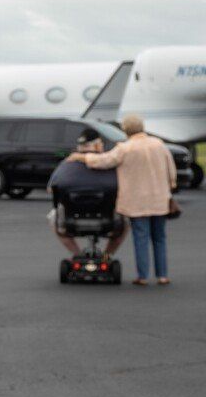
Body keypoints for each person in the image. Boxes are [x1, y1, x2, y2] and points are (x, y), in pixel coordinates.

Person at [77, 113, 179, 285]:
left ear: (125, 130)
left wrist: (83, 157)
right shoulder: (158, 144)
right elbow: (171, 170)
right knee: (159, 237)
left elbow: (104, 161)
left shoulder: (125, 148)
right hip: (160, 199)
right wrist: (170, 186)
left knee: (141, 237)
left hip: (137, 200)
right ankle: (162, 275)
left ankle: (143, 276)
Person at [48, 134, 125, 259]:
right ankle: (107, 256)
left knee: (53, 218)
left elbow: (52, 188)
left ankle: (77, 254)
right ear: (96, 145)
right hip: (107, 219)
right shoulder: (108, 164)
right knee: (126, 222)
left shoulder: (66, 165)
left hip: (71, 219)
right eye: (100, 144)